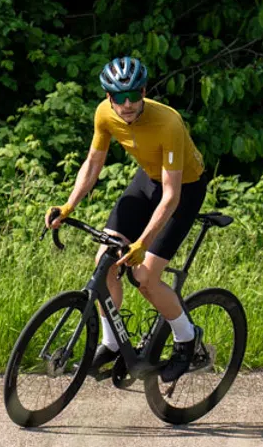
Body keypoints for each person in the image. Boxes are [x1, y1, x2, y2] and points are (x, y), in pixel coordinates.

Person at [45, 56, 207, 383]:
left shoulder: (169, 123)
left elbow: (171, 196)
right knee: (105, 262)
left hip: (183, 189)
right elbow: (94, 162)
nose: (128, 104)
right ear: (109, 97)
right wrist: (68, 206)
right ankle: (111, 343)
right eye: (120, 97)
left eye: (134, 95)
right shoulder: (104, 114)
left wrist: (142, 244)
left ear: (144, 92)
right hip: (147, 180)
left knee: (145, 278)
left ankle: (186, 339)